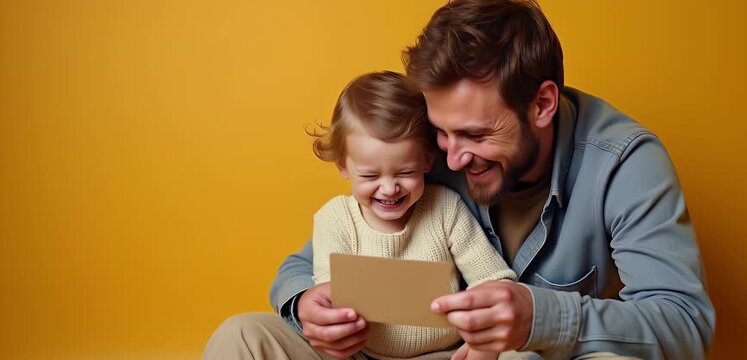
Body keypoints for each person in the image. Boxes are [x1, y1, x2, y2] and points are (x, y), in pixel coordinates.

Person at [208, 0, 715, 359]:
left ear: (542, 104)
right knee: (243, 339)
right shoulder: (428, 151)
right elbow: (303, 264)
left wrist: (541, 317)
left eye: (474, 133)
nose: (448, 160)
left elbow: (683, 325)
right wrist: (308, 307)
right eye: (441, 134)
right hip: (378, 351)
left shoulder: (624, 162)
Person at [307, 70, 522, 360]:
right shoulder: (335, 219)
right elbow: (330, 300)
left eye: (405, 172)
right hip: (364, 355)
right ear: (343, 166)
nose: (389, 188)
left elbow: (493, 280)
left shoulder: (445, 207)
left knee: (518, 354)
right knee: (249, 332)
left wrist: (485, 342)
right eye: (370, 175)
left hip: (449, 353)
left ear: (427, 161)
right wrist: (330, 323)